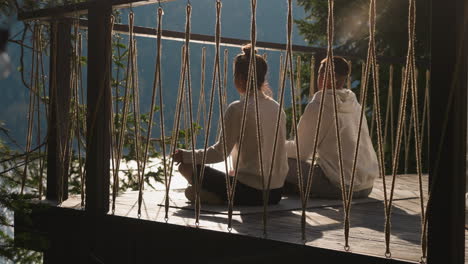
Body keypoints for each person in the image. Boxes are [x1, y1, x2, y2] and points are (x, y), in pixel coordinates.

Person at [172, 44, 289, 206]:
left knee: (186, 168)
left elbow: (219, 153)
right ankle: (215, 195)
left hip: (251, 191)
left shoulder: (238, 109)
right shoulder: (277, 108)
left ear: (240, 78)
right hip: (276, 193)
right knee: (221, 178)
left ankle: (214, 196)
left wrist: (185, 155)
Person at [284, 56, 378, 199]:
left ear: (322, 76)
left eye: (320, 73)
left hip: (339, 187)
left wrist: (274, 146)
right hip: (366, 186)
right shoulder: (354, 103)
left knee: (277, 159)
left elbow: (300, 152)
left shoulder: (320, 105)